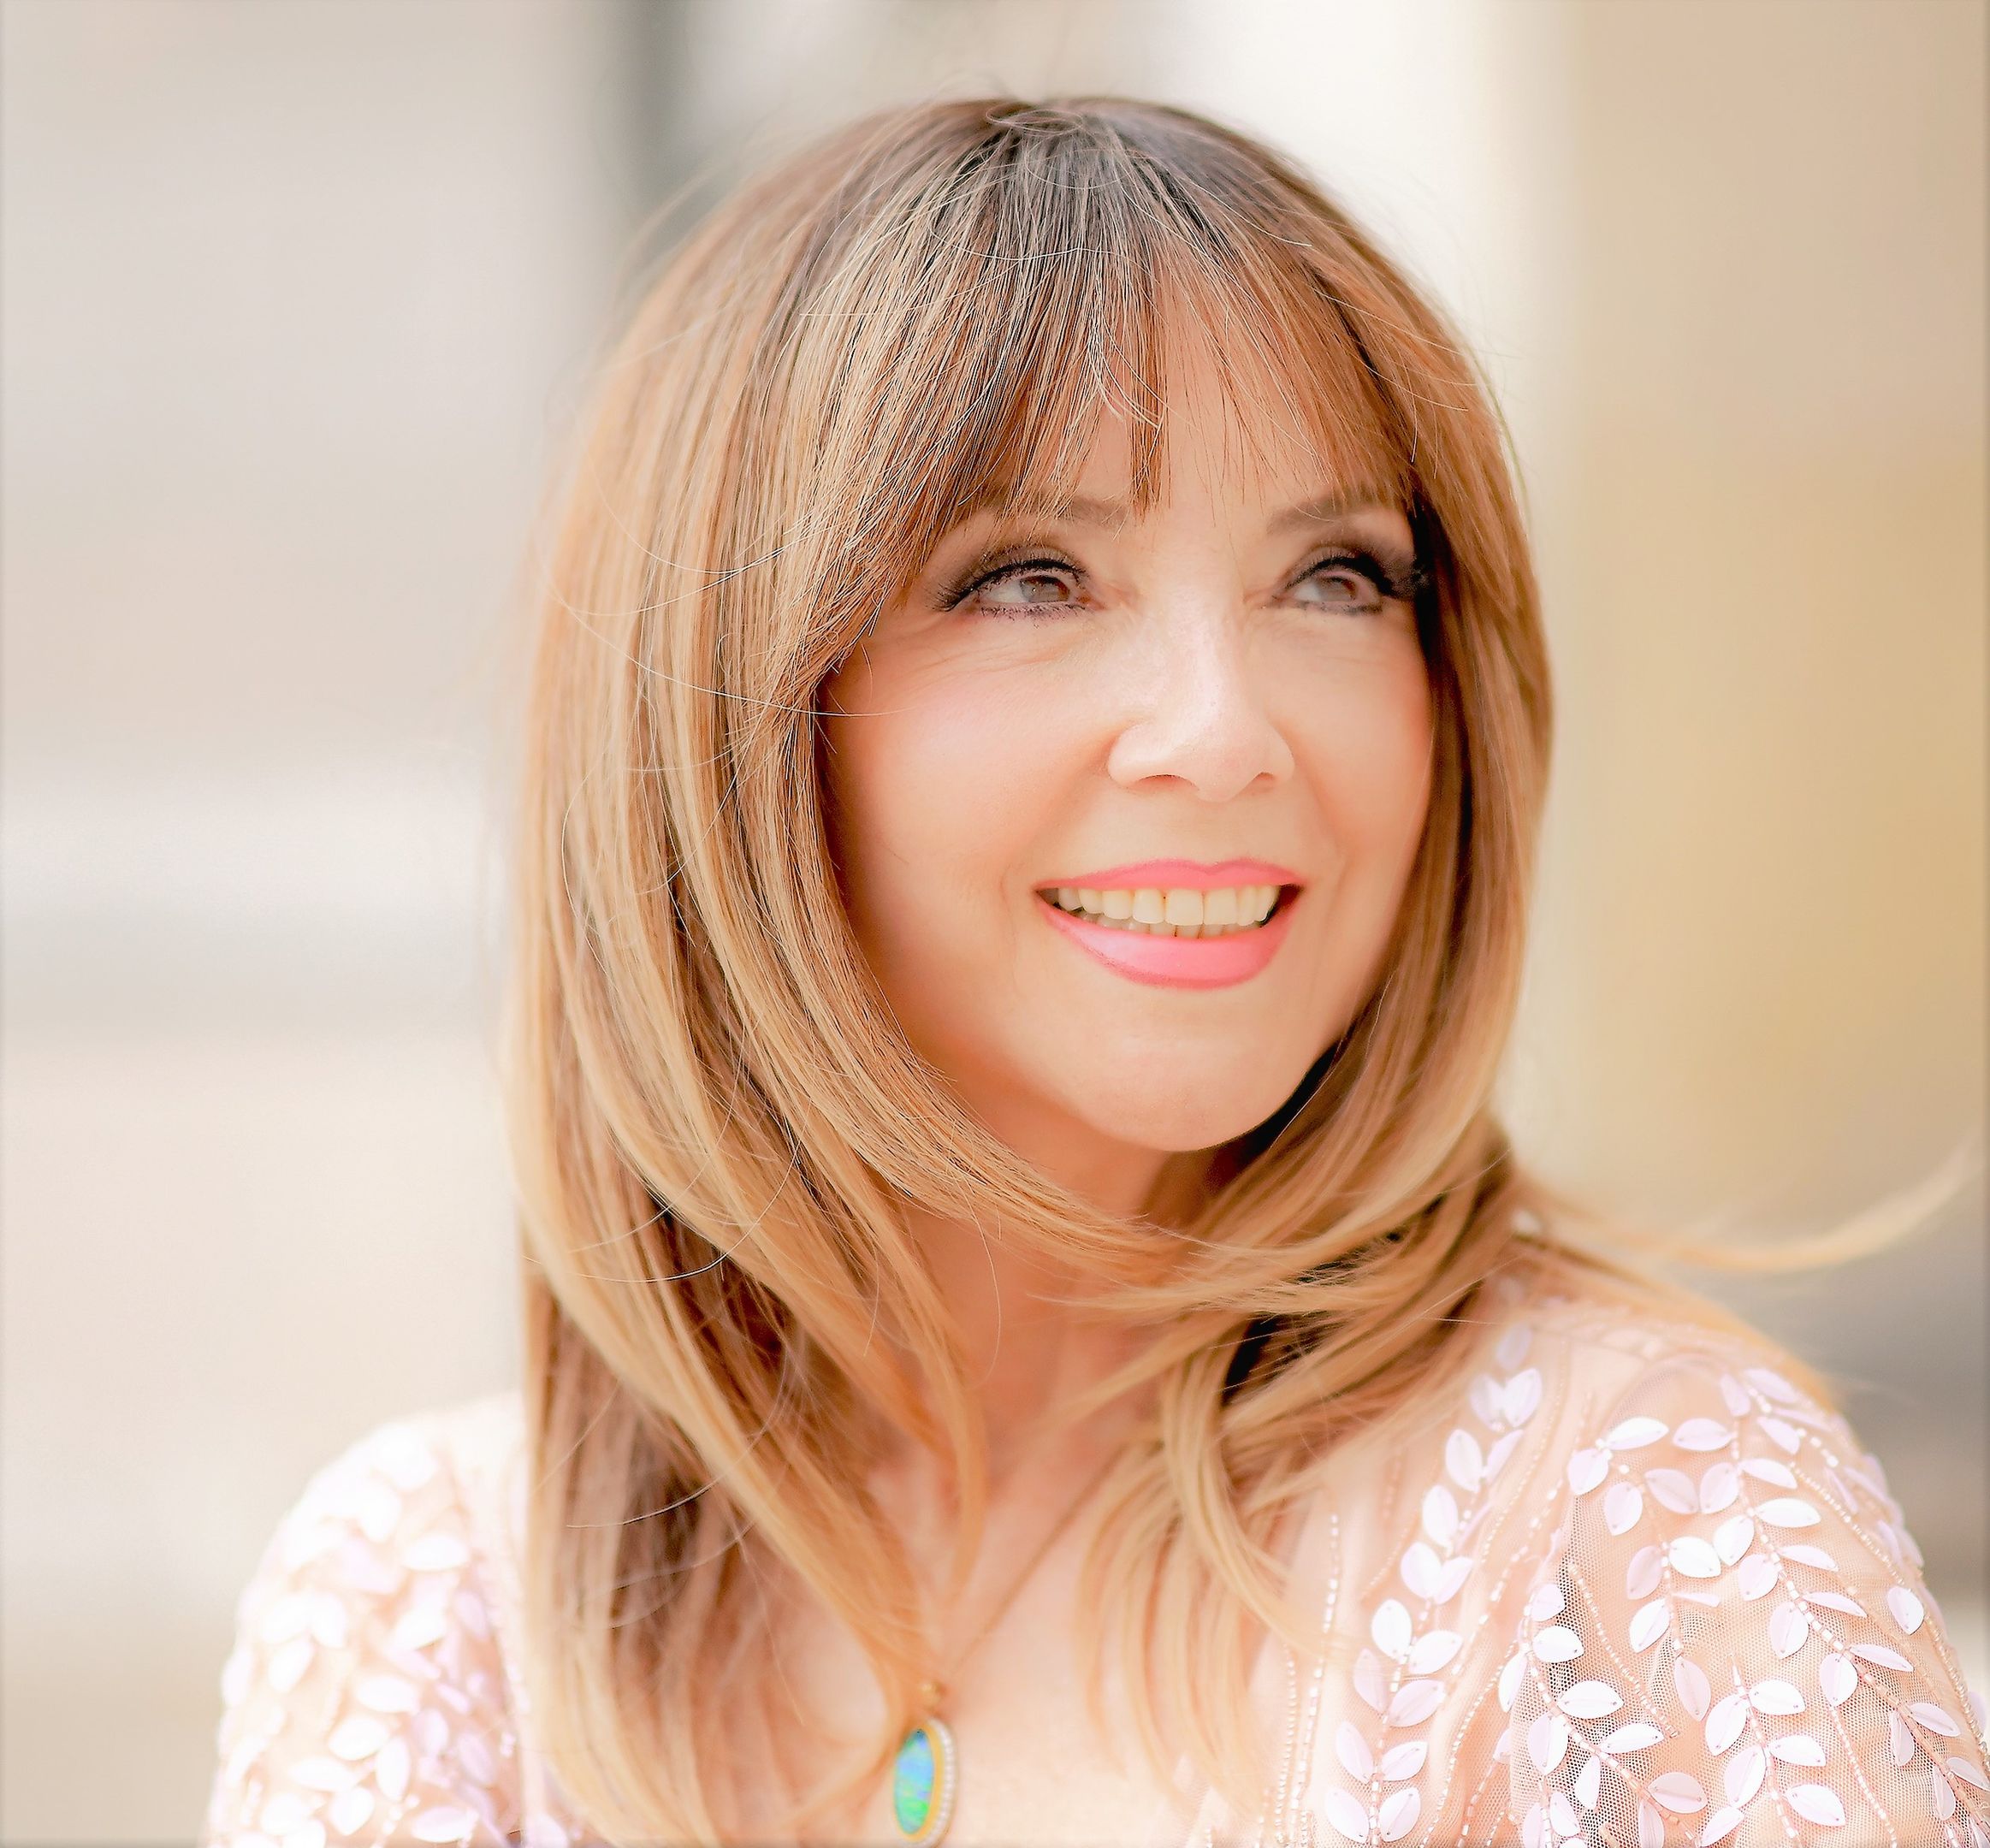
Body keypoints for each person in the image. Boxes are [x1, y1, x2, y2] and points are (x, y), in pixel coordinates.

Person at [200, 97, 1989, 1848]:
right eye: (1030, 579)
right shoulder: (432, 1605)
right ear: (732, 719)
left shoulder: (1641, 1515)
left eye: (1337, 577)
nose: (1222, 731)